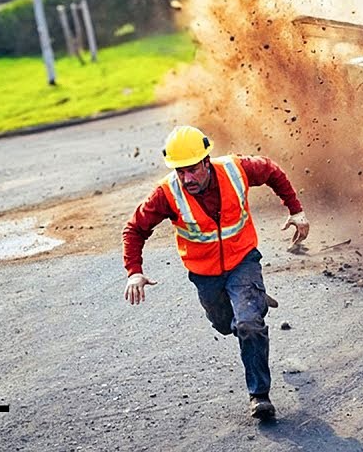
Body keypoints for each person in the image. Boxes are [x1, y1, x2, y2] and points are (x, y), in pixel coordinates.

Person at [122, 125, 310, 420]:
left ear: (206, 161)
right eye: (180, 171)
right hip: (205, 274)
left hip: (243, 261)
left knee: (249, 325)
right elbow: (135, 229)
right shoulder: (166, 193)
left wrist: (295, 210)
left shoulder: (236, 170)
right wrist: (134, 271)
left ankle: (259, 395)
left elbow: (272, 171)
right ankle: (252, 302)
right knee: (227, 325)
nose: (186, 178)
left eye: (193, 169)